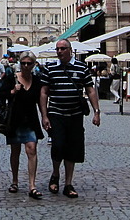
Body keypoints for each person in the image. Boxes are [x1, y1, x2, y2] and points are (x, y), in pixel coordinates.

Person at [39, 39, 100, 199]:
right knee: (58, 146)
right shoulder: (50, 68)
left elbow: (90, 90)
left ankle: (68, 183)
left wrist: (96, 111)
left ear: (70, 50)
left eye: (62, 49)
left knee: (72, 149)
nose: (59, 52)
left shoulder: (81, 68)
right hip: (56, 114)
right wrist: (44, 115)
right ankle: (55, 174)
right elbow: (44, 92)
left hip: (75, 115)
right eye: (57, 49)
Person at [0, 51, 44, 199]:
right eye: (23, 63)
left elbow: (41, 100)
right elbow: (1, 94)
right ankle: (15, 181)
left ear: (33, 64)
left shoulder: (37, 81)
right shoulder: (12, 78)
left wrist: (45, 117)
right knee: (15, 151)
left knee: (32, 149)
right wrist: (13, 91)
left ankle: (32, 185)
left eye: (29, 63)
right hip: (15, 120)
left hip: (30, 120)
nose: (25, 66)